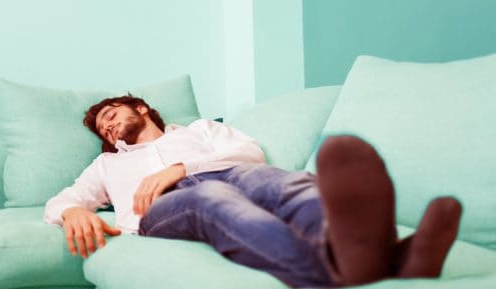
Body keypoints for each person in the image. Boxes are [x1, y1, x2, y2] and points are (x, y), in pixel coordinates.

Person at [44, 94, 462, 288]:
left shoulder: (199, 130)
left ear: (140, 107)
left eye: (112, 115)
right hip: (167, 208)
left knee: (282, 181)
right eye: (104, 128)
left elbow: (249, 153)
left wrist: (180, 166)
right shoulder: (109, 163)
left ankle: (384, 255)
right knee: (212, 201)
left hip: (231, 173)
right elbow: (65, 199)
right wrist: (72, 213)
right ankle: (329, 274)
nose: (110, 126)